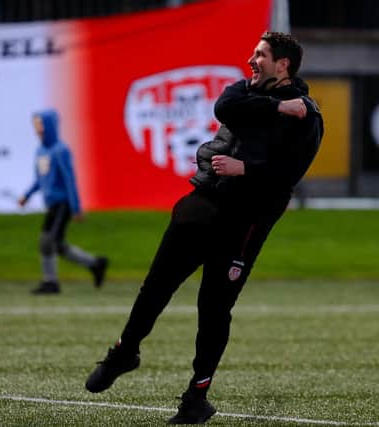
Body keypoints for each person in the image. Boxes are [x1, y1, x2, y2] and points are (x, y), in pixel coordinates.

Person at [85, 32, 323, 424]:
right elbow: (224, 105)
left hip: (244, 221)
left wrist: (245, 169)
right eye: (253, 52)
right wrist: (280, 109)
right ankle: (125, 351)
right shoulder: (246, 93)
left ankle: (197, 397)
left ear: (283, 65)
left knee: (213, 310)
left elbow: (289, 176)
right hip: (202, 205)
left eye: (261, 55)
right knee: (155, 285)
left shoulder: (309, 117)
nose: (252, 59)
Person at [19, 109, 108, 294]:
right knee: (57, 245)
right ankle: (95, 263)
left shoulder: (61, 150)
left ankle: (51, 282)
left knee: (47, 240)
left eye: (40, 124)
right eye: (35, 124)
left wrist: (76, 207)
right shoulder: (40, 151)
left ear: (49, 125)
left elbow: (69, 179)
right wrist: (27, 195)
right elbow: (40, 179)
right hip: (52, 204)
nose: (37, 129)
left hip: (62, 204)